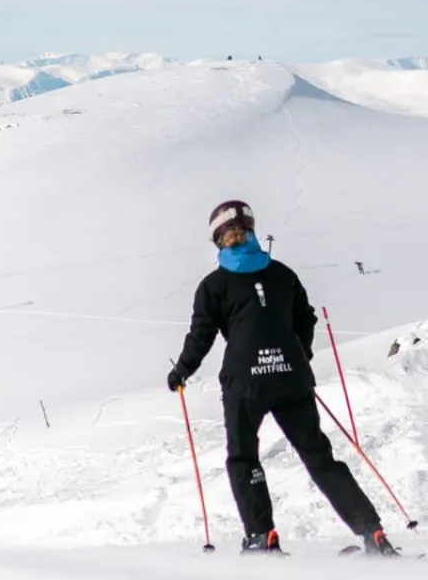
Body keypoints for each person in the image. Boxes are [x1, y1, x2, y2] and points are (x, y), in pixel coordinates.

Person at [167, 199, 397, 556]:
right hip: (292, 379)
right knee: (319, 456)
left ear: (217, 239)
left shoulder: (214, 285)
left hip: (246, 383)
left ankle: (261, 536)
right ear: (252, 231)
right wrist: (298, 356)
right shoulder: (283, 274)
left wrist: (182, 371)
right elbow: (306, 319)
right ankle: (372, 532)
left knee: (243, 457)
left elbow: (202, 335)